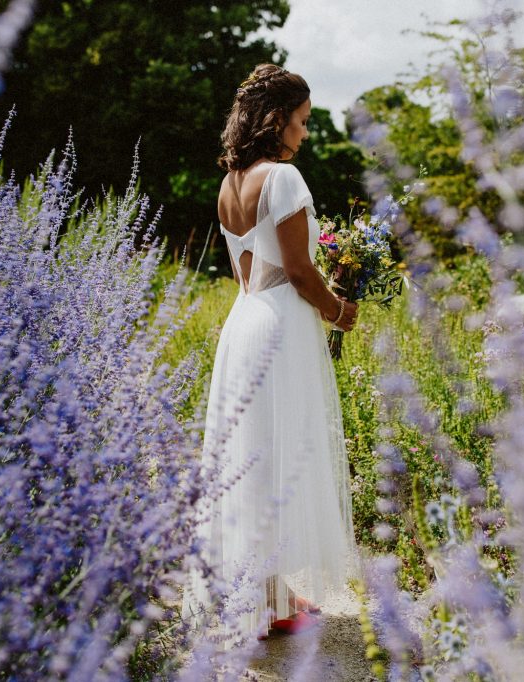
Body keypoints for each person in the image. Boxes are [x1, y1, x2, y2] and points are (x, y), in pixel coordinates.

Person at [191, 64, 359, 642]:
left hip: (243, 321)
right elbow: (297, 271)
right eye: (303, 121)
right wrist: (338, 310)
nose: (306, 133)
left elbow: (250, 268)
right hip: (280, 326)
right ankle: (271, 602)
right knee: (284, 454)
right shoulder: (283, 179)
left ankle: (270, 596)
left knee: (257, 457)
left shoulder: (230, 184)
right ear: (278, 119)